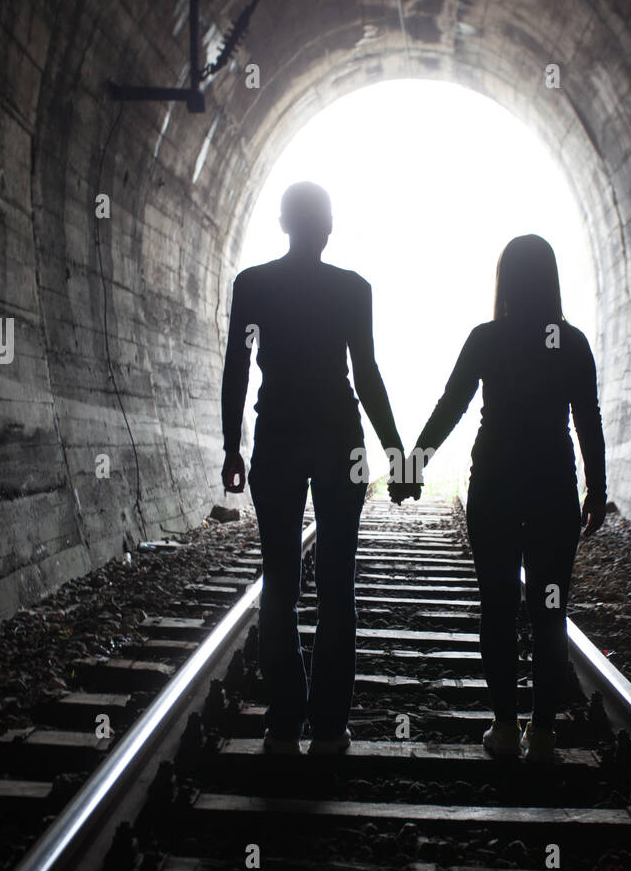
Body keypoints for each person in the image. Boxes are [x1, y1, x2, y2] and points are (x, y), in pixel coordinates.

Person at [220, 181, 407, 755]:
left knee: (278, 583)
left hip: (276, 435)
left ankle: (283, 723)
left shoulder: (253, 285)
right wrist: (397, 453)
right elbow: (367, 374)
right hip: (339, 440)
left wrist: (233, 447)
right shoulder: (353, 290)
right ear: (328, 228)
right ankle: (329, 727)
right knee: (337, 583)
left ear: (282, 223)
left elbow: (236, 369)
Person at [405, 235, 606, 762]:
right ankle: (542, 735)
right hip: (553, 489)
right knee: (549, 610)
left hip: (494, 486)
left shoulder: (487, 339)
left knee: (496, 608)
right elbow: (588, 421)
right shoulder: (572, 342)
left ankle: (503, 727)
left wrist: (413, 464)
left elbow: (450, 406)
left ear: (506, 281)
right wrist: (598, 489)